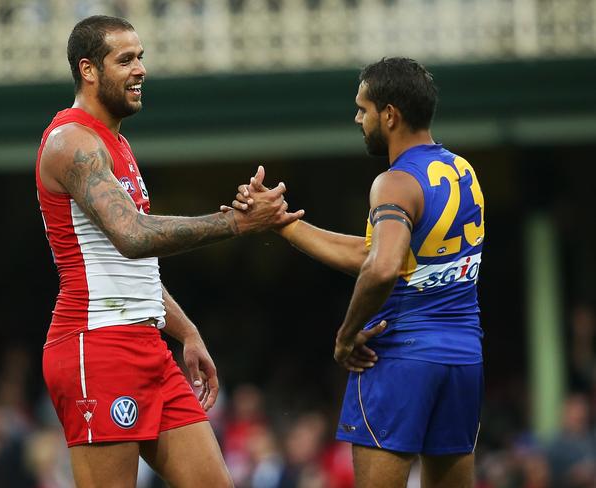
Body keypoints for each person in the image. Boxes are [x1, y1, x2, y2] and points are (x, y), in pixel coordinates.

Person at [36, 15, 302, 487]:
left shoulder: (116, 143)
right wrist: (235, 222)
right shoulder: (71, 142)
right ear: (88, 69)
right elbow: (133, 236)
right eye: (125, 60)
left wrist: (187, 332)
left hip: (147, 345)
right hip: (95, 346)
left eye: (141, 57)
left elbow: (129, 267)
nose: (140, 69)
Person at [225, 57, 485, 487]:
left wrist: (346, 337)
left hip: (399, 355)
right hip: (462, 357)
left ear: (390, 114)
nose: (357, 118)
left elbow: (381, 269)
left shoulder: (394, 183)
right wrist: (283, 222)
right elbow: (380, 255)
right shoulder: (462, 172)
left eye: (363, 109)